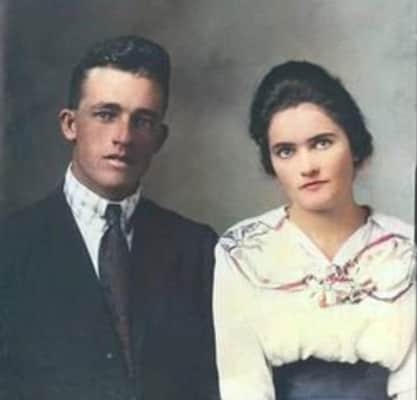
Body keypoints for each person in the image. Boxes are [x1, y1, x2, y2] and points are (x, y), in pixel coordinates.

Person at [0, 35, 219, 400]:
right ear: (70, 124)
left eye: (143, 121)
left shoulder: (198, 250)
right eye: (106, 115)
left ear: (160, 138)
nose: (123, 136)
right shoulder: (9, 247)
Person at [213, 61, 415, 400]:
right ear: (271, 163)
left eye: (322, 143)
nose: (307, 167)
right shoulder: (242, 252)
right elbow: (242, 385)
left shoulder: (405, 248)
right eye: (286, 151)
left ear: (354, 147)